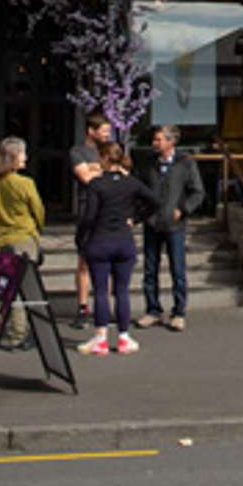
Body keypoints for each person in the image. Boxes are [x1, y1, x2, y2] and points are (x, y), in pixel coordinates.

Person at [76, 140, 156, 356]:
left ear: (103, 158)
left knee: (101, 290)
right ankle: (123, 337)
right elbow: (154, 201)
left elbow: (89, 216)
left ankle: (100, 338)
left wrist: (81, 239)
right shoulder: (131, 183)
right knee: (122, 291)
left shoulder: (96, 184)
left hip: (100, 240)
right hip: (123, 240)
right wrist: (136, 218)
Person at [138, 125, 205, 332]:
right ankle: (152, 310)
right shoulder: (148, 163)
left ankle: (179, 312)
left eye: (159, 140)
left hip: (174, 225)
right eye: (154, 140)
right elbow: (139, 188)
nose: (155, 143)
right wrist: (141, 212)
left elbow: (197, 192)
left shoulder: (184, 163)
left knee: (177, 269)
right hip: (152, 222)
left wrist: (183, 209)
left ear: (170, 142)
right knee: (150, 270)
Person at [0, 136, 46, 350]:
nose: (26, 157)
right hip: (21, 237)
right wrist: (37, 231)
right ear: (13, 157)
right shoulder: (24, 183)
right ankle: (18, 332)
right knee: (21, 288)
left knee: (2, 288)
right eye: (22, 154)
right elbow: (38, 210)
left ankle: (2, 329)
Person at [69, 114, 114, 329]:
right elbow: (85, 178)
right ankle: (82, 308)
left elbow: (121, 173)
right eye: (104, 130)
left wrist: (95, 169)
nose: (107, 134)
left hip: (109, 211)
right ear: (91, 130)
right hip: (88, 211)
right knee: (84, 261)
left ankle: (104, 306)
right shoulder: (77, 151)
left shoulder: (110, 150)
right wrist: (103, 170)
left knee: (108, 260)